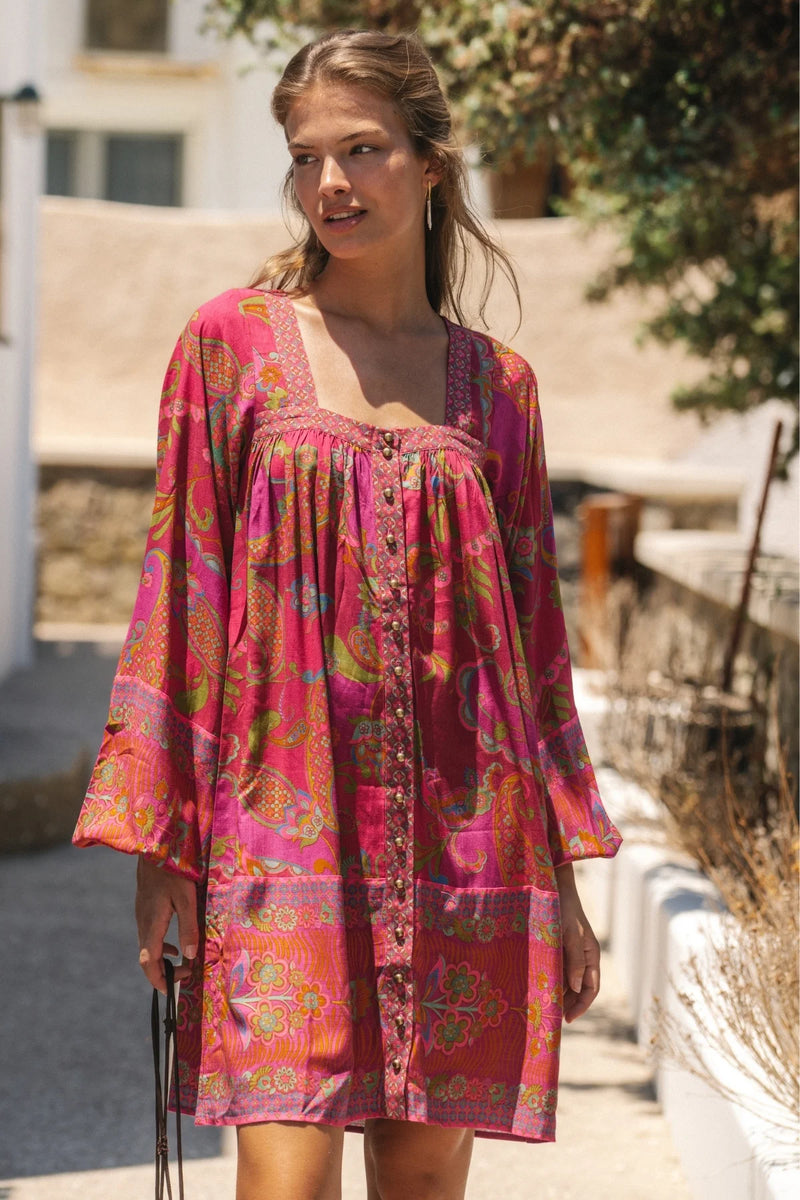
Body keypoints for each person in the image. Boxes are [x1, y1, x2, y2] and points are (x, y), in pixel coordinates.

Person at [73, 28, 621, 1200]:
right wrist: (164, 846)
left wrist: (566, 882)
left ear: (430, 164)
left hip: (466, 851)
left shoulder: (498, 388)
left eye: (362, 149)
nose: (329, 182)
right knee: (282, 1184)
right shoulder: (231, 350)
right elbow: (182, 592)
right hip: (276, 841)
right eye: (305, 155)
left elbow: (532, 648)